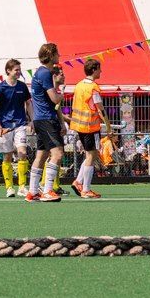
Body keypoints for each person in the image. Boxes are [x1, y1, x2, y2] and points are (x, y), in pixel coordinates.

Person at [24, 43, 67, 202]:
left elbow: (51, 101)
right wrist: (62, 93)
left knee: (41, 155)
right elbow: (55, 99)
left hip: (41, 119)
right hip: (46, 119)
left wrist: (61, 122)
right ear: (51, 55)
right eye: (57, 53)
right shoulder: (45, 73)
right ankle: (48, 190)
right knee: (58, 153)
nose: (59, 56)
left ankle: (32, 192)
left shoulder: (39, 73)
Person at [68, 57, 112, 199]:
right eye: (99, 69)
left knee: (89, 155)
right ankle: (86, 189)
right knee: (92, 156)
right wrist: (109, 126)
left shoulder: (79, 85)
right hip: (90, 126)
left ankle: (78, 182)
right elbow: (100, 108)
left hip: (79, 125)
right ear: (94, 70)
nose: (101, 71)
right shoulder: (93, 88)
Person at [0, 59, 33, 198]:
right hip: (5, 127)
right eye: (16, 70)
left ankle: (22, 186)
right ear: (8, 71)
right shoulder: (0, 88)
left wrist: (32, 120)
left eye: (19, 69)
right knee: (7, 156)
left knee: (22, 152)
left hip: (20, 125)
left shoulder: (22, 86)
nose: (19, 72)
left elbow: (28, 104)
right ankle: (9, 187)